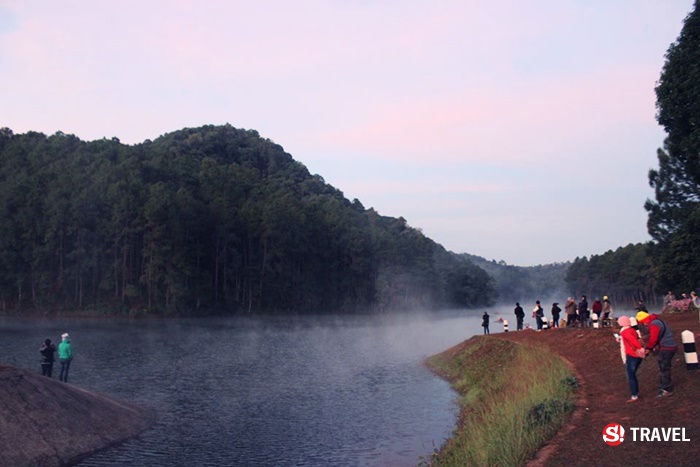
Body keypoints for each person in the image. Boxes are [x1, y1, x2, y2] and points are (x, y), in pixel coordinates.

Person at [636, 311, 678, 397]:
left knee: (664, 367)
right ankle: (664, 385)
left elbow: (653, 339)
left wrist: (648, 348)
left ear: (644, 321)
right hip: (670, 346)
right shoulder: (658, 321)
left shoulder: (654, 324)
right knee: (664, 366)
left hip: (667, 347)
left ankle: (666, 389)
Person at [617, 316, 646, 402]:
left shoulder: (624, 332)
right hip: (637, 355)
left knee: (631, 375)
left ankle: (634, 395)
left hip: (632, 355)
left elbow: (633, 341)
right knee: (632, 374)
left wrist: (640, 348)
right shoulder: (632, 330)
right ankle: (635, 393)